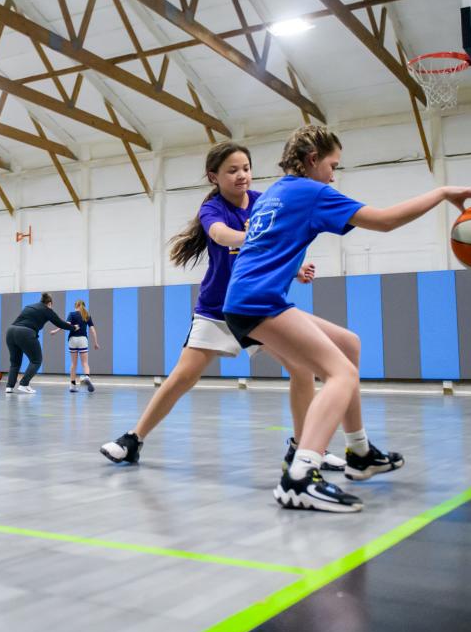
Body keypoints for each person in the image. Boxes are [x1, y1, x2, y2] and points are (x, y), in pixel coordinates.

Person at [223, 125, 471, 512]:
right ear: (313, 160)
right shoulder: (312, 191)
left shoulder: (277, 191)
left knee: (348, 345)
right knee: (341, 375)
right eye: (333, 165)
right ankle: (300, 476)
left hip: (250, 298)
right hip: (258, 302)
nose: (334, 174)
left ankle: (360, 453)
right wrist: (443, 192)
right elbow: (384, 221)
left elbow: (269, 247)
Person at [100, 141, 331, 470]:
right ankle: (133, 439)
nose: (242, 176)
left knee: (301, 369)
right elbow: (222, 236)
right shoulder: (213, 210)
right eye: (232, 170)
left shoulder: (265, 202)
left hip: (256, 308)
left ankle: (301, 448)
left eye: (246, 168)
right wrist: (251, 236)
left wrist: (296, 268)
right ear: (214, 176)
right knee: (183, 376)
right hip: (216, 310)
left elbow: (279, 246)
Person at [6, 293, 74, 393]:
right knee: (36, 360)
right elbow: (60, 323)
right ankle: (24, 384)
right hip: (26, 332)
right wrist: (74, 327)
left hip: (11, 331)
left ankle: (9, 387)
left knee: (15, 362)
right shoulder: (47, 310)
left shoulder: (29, 306)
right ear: (49, 303)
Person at [55, 299, 98, 392]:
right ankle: (86, 377)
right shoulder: (87, 316)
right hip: (83, 339)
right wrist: (96, 343)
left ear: (76, 306)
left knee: (74, 364)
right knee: (85, 363)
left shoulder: (72, 314)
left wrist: (55, 331)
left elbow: (65, 325)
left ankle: (72, 386)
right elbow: (93, 330)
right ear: (84, 306)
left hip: (72, 340)